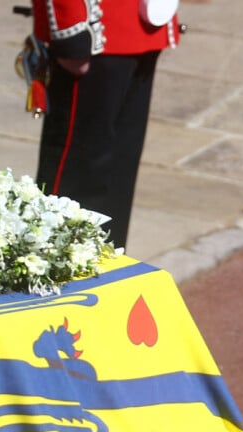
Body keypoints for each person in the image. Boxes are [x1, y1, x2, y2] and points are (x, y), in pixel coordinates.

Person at [28, 0, 181, 248]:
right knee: (77, 183)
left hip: (139, 28)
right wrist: (71, 31)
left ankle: (106, 271)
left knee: (117, 178)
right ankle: (57, 273)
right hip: (95, 34)